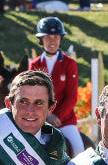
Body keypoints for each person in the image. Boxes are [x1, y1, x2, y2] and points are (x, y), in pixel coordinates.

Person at [29, 17, 81, 150]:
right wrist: (46, 116)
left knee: (79, 152)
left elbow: (72, 96)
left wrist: (57, 116)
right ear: (41, 40)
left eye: (56, 37)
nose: (52, 41)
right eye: (48, 37)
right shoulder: (34, 65)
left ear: (60, 39)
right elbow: (32, 96)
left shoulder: (70, 64)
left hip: (64, 121)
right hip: (40, 121)